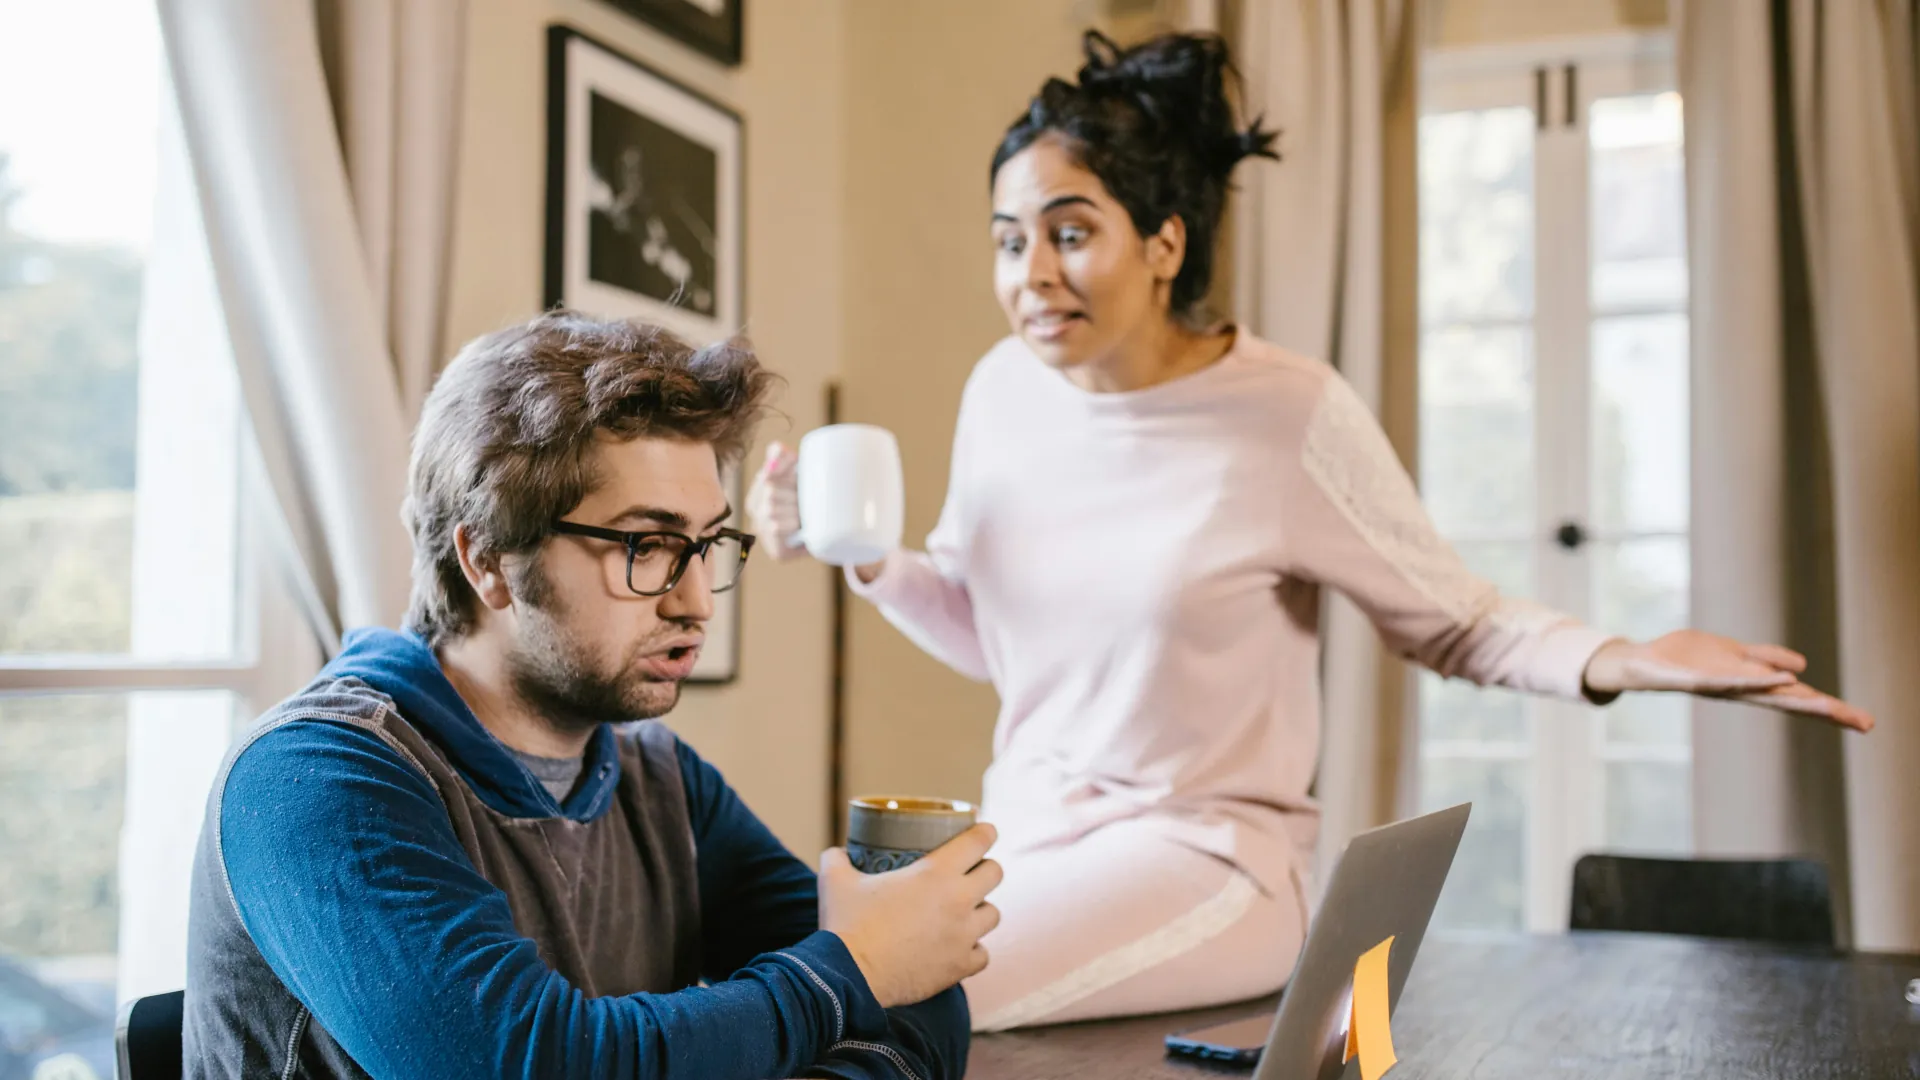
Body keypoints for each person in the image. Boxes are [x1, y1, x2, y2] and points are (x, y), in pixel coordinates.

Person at [747, 31, 1874, 1033]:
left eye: (1070, 231)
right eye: (1007, 241)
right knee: (817, 950)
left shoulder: (1288, 412)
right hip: (1028, 838)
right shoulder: (1003, 390)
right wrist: (868, 559)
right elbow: (1006, 639)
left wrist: (1621, 657)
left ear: (1165, 242)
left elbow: (1462, 623)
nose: (1030, 275)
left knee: (918, 990)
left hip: (1211, 861)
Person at [184, 312, 1000, 1079]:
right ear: (489, 561)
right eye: (647, 545)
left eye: (706, 545)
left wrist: (866, 973)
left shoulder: (659, 781)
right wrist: (846, 974)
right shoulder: (312, 779)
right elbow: (534, 1063)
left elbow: (919, 986)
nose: (695, 603)